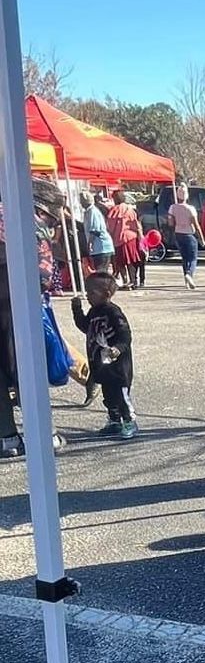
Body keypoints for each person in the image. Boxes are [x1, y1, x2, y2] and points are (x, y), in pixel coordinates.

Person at [0, 179, 66, 457]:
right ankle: (44, 436)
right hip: (14, 305)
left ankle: (7, 439)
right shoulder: (29, 222)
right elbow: (42, 275)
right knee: (27, 370)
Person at [71, 272, 137, 439]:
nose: (88, 296)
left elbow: (125, 334)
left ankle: (129, 420)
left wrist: (118, 348)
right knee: (108, 396)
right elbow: (85, 326)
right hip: (101, 363)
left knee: (121, 395)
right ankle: (114, 421)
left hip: (117, 365)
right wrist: (77, 309)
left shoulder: (113, 312)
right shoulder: (94, 311)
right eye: (87, 292)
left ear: (106, 294)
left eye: (92, 293)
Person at [167, 183, 205, 289]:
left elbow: (170, 223)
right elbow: (196, 225)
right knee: (192, 258)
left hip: (178, 234)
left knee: (184, 258)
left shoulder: (172, 208)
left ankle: (186, 281)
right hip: (189, 234)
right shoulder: (190, 209)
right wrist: (201, 238)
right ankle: (189, 274)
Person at [106, 189, 143, 290]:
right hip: (131, 238)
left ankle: (126, 281)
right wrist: (140, 237)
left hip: (118, 239)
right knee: (131, 262)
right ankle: (134, 281)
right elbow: (136, 224)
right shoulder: (130, 210)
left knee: (121, 262)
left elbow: (110, 227)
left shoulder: (113, 210)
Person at [80, 190, 115, 274]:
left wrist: (90, 244)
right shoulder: (88, 212)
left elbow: (95, 230)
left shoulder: (93, 212)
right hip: (97, 248)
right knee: (99, 269)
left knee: (101, 270)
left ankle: (103, 286)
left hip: (102, 247)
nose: (81, 203)